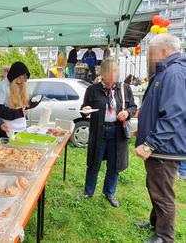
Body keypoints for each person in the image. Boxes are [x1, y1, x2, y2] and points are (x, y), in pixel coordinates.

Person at [135, 34, 186, 243]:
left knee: (163, 194)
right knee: (154, 186)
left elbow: (173, 115)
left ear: (163, 52)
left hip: (165, 148)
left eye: (151, 53)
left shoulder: (173, 73)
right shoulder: (166, 72)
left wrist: (150, 144)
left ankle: (165, 237)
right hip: (161, 146)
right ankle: (155, 223)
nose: (150, 58)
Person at [79, 57, 137, 207]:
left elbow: (133, 107)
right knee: (94, 162)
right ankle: (88, 191)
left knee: (114, 164)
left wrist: (127, 113)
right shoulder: (92, 89)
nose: (114, 75)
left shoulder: (124, 88)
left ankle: (109, 193)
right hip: (99, 130)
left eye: (116, 71)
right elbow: (85, 108)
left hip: (117, 132)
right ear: (103, 73)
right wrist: (85, 111)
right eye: (110, 72)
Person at [0, 61, 40, 137]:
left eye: (22, 82)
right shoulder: (1, 86)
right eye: (18, 82)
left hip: (22, 128)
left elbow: (20, 106)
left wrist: (31, 104)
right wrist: (19, 113)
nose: (21, 84)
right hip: (8, 130)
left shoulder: (21, 84)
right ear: (14, 77)